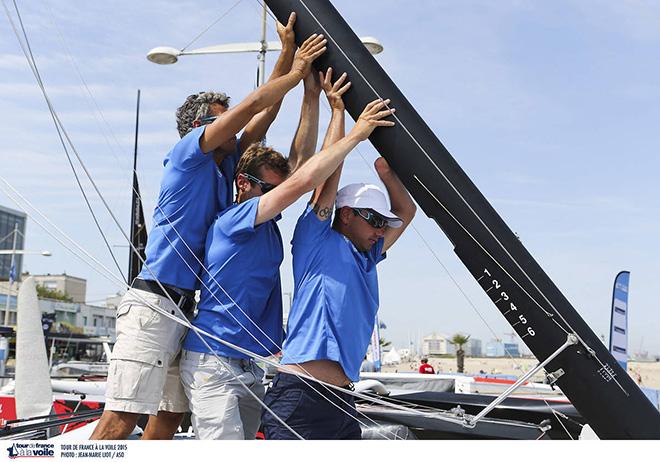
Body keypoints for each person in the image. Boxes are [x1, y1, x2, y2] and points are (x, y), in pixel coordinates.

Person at [91, 13, 327, 440]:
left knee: (167, 418)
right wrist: (294, 72)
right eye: (223, 122)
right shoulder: (186, 157)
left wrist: (290, 53)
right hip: (155, 303)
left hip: (186, 309)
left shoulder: (226, 168)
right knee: (123, 416)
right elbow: (253, 106)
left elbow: (267, 113)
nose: (234, 131)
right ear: (202, 126)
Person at [179, 68, 395, 440]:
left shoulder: (268, 227)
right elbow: (306, 180)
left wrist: (324, 104)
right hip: (211, 360)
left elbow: (307, 165)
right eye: (270, 188)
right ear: (243, 184)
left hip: (247, 362)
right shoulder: (234, 219)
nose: (281, 195)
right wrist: (357, 132)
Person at [261, 95, 416, 440]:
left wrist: (386, 172)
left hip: (342, 400)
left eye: (382, 224)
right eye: (375, 219)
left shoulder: (368, 256)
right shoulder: (317, 241)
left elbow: (405, 212)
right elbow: (327, 177)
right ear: (346, 214)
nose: (381, 230)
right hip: (300, 396)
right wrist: (340, 113)